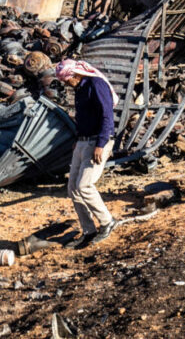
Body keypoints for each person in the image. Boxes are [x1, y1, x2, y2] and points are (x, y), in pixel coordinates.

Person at [55, 59, 119, 249]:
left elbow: (107, 115)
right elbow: (84, 117)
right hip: (83, 141)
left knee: (84, 185)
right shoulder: (80, 89)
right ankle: (88, 230)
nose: (67, 84)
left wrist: (101, 144)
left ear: (76, 74)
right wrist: (78, 139)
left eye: (67, 80)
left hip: (96, 141)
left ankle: (107, 222)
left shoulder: (96, 84)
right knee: (73, 188)